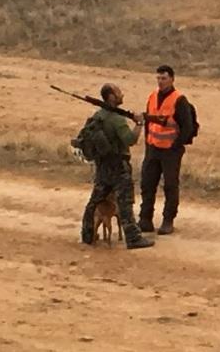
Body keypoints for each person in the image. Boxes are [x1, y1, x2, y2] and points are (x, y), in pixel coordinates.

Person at [79, 83, 155, 250]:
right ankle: (133, 238)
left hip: (103, 166)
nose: (122, 95)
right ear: (111, 97)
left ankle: (87, 233)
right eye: (118, 92)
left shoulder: (99, 116)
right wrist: (139, 124)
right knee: (125, 203)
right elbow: (130, 140)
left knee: (95, 200)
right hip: (118, 167)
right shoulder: (117, 119)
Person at [138, 64, 195, 236]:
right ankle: (145, 219)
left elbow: (187, 127)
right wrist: (148, 143)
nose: (160, 82)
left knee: (170, 186)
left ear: (172, 79)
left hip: (170, 151)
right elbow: (149, 121)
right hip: (153, 148)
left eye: (164, 78)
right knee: (147, 184)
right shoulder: (152, 96)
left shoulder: (179, 100)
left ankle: (168, 220)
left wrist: (175, 145)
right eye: (158, 78)